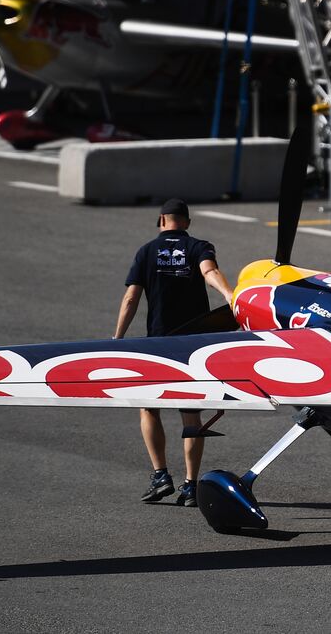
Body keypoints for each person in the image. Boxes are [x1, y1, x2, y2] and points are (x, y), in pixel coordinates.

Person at [114, 199, 234, 507]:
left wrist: (118, 339)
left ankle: (160, 476)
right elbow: (210, 272)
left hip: (158, 344)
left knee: (148, 408)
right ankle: (191, 486)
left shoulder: (146, 252)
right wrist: (229, 294)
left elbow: (131, 298)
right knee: (190, 415)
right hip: (194, 345)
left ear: (161, 220)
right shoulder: (199, 247)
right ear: (187, 223)